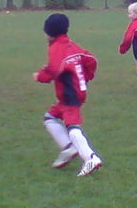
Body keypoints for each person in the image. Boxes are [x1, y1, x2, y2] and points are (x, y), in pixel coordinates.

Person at [33, 13, 103, 177]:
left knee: (72, 126)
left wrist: (41, 76)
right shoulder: (72, 46)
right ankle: (68, 148)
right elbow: (91, 60)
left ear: (50, 32)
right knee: (50, 117)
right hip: (75, 91)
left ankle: (90, 157)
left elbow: (55, 68)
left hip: (70, 93)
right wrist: (86, 76)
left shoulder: (57, 47)